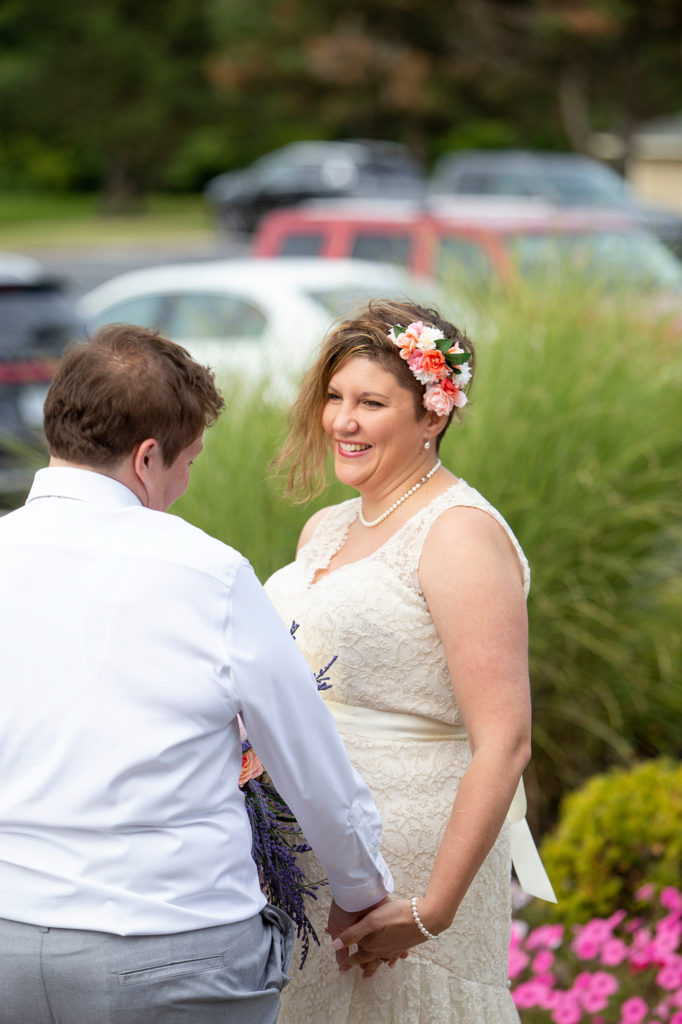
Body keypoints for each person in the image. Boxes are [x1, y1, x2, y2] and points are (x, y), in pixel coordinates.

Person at [0, 324, 395, 1024]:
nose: (183, 484)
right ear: (148, 457)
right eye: (189, 461)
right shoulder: (205, 572)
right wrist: (361, 888)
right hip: (171, 950)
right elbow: (307, 760)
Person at [264, 299, 555, 1024]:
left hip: (413, 869)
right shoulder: (324, 527)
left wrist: (431, 911)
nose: (342, 421)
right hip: (307, 863)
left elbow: (505, 740)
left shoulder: (459, 535)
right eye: (334, 398)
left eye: (370, 402)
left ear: (432, 415)